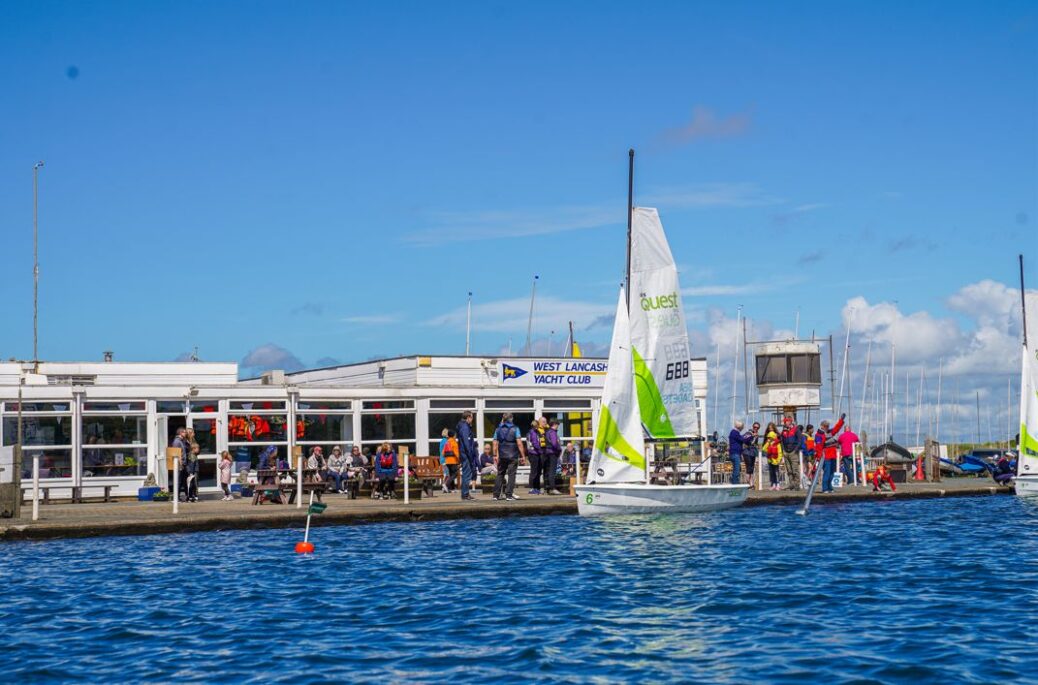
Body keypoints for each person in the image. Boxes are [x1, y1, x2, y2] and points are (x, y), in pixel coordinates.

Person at [493, 413, 525, 501]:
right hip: (513, 455)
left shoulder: (498, 429)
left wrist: (495, 455)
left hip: (502, 455)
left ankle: (495, 495)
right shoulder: (515, 429)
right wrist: (523, 456)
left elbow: (495, 443)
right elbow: (519, 443)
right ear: (511, 419)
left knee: (500, 474)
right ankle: (509, 495)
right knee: (511, 475)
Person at [815, 414, 846, 493]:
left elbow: (837, 428)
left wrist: (841, 420)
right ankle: (825, 488)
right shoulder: (818, 435)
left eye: (827, 426)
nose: (827, 427)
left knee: (832, 472)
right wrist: (819, 456)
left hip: (833, 455)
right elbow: (818, 447)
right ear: (821, 426)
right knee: (827, 472)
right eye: (825, 426)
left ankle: (830, 487)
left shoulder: (830, 432)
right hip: (825, 456)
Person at [456, 410, 479, 501]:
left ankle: (465, 494)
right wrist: (470, 454)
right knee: (467, 474)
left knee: (467, 473)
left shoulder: (463, 426)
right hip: (466, 454)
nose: (472, 419)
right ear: (468, 417)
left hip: (464, 453)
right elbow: (466, 442)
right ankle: (465, 495)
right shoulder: (465, 427)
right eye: (472, 417)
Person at [728, 420, 754, 485]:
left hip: (735, 453)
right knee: (736, 470)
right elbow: (743, 439)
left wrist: (748, 435)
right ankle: (735, 484)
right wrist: (751, 435)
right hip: (735, 453)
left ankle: (734, 482)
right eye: (742, 427)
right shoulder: (735, 432)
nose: (742, 428)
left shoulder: (734, 432)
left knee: (737, 469)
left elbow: (742, 438)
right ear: (740, 427)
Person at [170, 427, 191, 501]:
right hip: (179, 465)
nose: (186, 433)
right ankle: (176, 497)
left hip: (183, 464)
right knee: (178, 481)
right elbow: (176, 453)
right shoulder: (177, 442)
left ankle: (185, 496)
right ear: (180, 433)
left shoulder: (182, 441)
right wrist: (180, 464)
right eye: (184, 432)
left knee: (183, 481)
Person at [527, 419, 547, 495]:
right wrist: (542, 451)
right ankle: (532, 488)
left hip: (535, 453)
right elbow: (535, 443)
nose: (538, 427)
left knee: (537, 471)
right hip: (534, 453)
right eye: (537, 425)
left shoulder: (533, 432)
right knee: (534, 472)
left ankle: (536, 488)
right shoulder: (533, 433)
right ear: (535, 426)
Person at [543, 418, 563, 495]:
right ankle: (553, 488)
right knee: (552, 471)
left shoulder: (547, 432)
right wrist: (559, 449)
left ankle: (547, 488)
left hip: (547, 453)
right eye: (557, 424)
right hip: (553, 453)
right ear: (554, 424)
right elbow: (554, 443)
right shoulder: (553, 432)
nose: (558, 426)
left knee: (548, 471)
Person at [763, 423, 782, 490]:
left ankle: (778, 484)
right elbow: (764, 449)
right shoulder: (768, 443)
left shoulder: (777, 443)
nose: (769, 438)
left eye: (770, 437)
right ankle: (773, 484)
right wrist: (768, 442)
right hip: (770, 460)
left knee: (776, 472)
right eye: (769, 437)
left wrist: (779, 459)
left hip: (776, 460)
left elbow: (779, 452)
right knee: (772, 472)